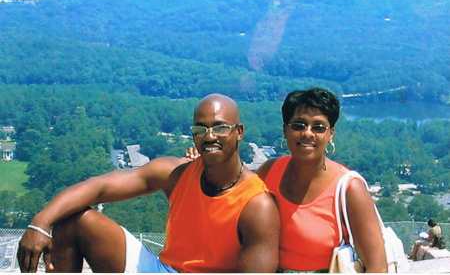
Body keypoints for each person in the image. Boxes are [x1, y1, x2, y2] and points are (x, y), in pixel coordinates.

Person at [17, 93, 280, 273]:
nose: (209, 136)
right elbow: (100, 187)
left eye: (220, 128)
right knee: (74, 220)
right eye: (200, 129)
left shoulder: (256, 205)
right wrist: (40, 223)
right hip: (163, 269)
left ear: (239, 132)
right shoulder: (178, 173)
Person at [186, 87, 388, 272]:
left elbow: (377, 268)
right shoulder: (270, 171)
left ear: (331, 134)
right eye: (299, 125)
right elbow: (228, 201)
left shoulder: (349, 189)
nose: (308, 133)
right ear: (285, 130)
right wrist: (204, 166)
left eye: (318, 127)